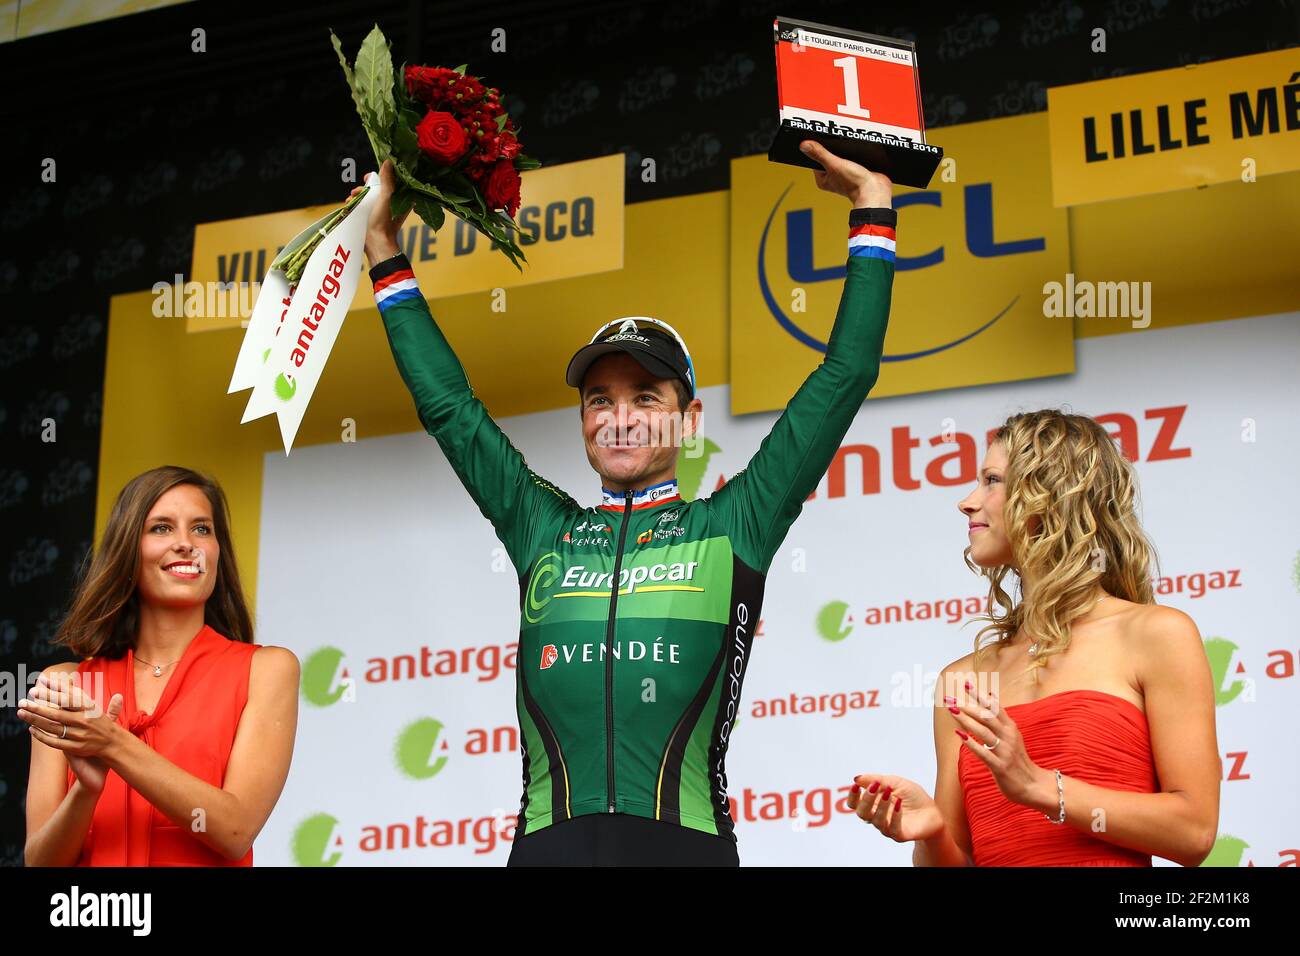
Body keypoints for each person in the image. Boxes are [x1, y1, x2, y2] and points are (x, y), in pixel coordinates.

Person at [354, 139, 897, 865]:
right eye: (599, 399)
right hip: (548, 848)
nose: (620, 416)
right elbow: (450, 409)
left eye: (646, 396)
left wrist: (872, 212)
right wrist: (384, 248)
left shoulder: (735, 522)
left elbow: (846, 373)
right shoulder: (543, 526)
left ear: (690, 419)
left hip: (684, 848)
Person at [848, 410, 1220, 866]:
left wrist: (1038, 786)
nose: (966, 502)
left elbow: (1195, 831)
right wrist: (932, 834)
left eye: (991, 480)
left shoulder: (1154, 635)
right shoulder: (965, 679)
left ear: (1050, 496)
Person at [20, 465, 300, 866]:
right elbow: (40, 863)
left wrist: (113, 745)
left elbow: (235, 830)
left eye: (202, 529)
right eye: (162, 528)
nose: (186, 543)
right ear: (127, 550)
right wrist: (86, 790)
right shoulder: (66, 683)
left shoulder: (266, 670)